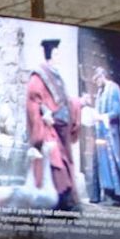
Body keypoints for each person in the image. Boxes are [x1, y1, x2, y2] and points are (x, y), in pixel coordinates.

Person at [25, 37, 81, 211]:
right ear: (50, 55)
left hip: (62, 128)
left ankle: (65, 203)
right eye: (56, 53)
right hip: (49, 128)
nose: (59, 56)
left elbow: (65, 101)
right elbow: (33, 102)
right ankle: (57, 203)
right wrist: (44, 114)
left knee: (65, 163)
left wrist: (79, 103)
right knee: (56, 162)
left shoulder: (57, 76)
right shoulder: (38, 77)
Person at [89, 65, 120, 207]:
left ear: (102, 77)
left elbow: (116, 111)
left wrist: (102, 117)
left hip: (111, 134)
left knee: (112, 163)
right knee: (102, 165)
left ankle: (118, 194)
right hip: (101, 134)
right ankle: (106, 192)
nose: (97, 84)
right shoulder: (100, 91)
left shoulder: (113, 89)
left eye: (97, 80)